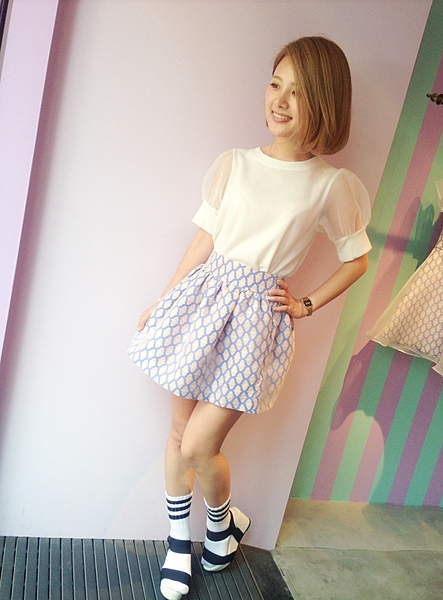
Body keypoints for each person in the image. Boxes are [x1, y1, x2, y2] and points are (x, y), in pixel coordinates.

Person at [128, 36, 372, 600]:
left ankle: (221, 521)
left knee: (198, 443)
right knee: (177, 434)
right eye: (275, 84)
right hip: (203, 302)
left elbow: (357, 259)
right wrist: (166, 300)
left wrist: (306, 304)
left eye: (299, 92)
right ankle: (184, 542)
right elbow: (204, 241)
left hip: (255, 324)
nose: (280, 101)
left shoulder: (329, 185)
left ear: (326, 103)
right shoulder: (234, 164)